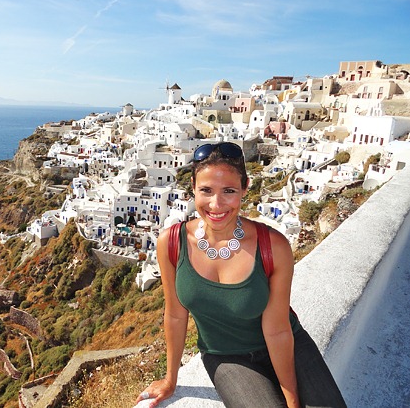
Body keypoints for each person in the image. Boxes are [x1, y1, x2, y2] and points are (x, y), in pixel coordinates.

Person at [135, 142, 346, 408]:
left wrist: (293, 400)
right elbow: (176, 315)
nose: (216, 204)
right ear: (193, 187)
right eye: (206, 190)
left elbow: (278, 330)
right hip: (226, 356)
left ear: (245, 188)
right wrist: (170, 379)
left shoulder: (273, 246)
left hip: (289, 346)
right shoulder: (172, 242)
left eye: (229, 191)